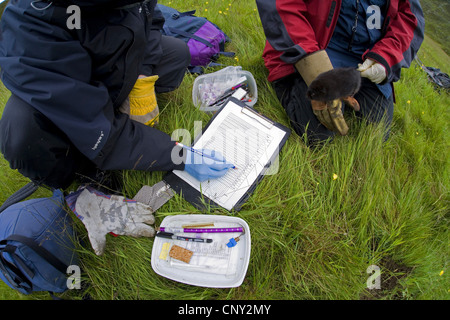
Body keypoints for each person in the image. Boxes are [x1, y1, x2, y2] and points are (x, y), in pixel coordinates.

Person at [0, 0, 233, 191]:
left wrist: (143, 78)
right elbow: (93, 124)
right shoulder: (33, 24)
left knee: (177, 53)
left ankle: (122, 106)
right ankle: (82, 178)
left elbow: (151, 22)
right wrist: (179, 155)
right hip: (73, 97)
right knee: (22, 131)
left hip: (109, 67)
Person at [256, 0, 425, 146]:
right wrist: (314, 68)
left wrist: (385, 57)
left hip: (368, 56)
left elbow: (410, 18)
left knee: (378, 133)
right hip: (319, 46)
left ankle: (345, 94)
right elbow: (282, 5)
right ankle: (292, 84)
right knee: (317, 134)